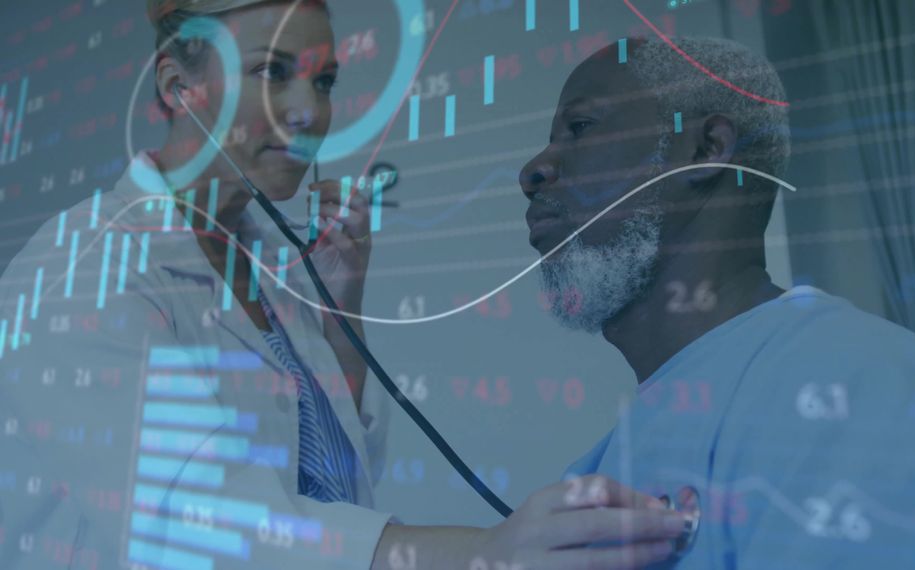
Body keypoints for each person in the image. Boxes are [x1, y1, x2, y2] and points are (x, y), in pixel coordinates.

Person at [0, 2, 691, 569]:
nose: (309, 113)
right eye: (272, 72)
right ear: (180, 86)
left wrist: (340, 323)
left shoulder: (274, 268)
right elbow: (195, 524)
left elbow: (333, 488)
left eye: (323, 81)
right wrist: (484, 554)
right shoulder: (82, 268)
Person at [519, 36, 915, 568]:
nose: (533, 170)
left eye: (580, 127)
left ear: (706, 149)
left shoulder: (855, 392)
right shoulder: (606, 464)